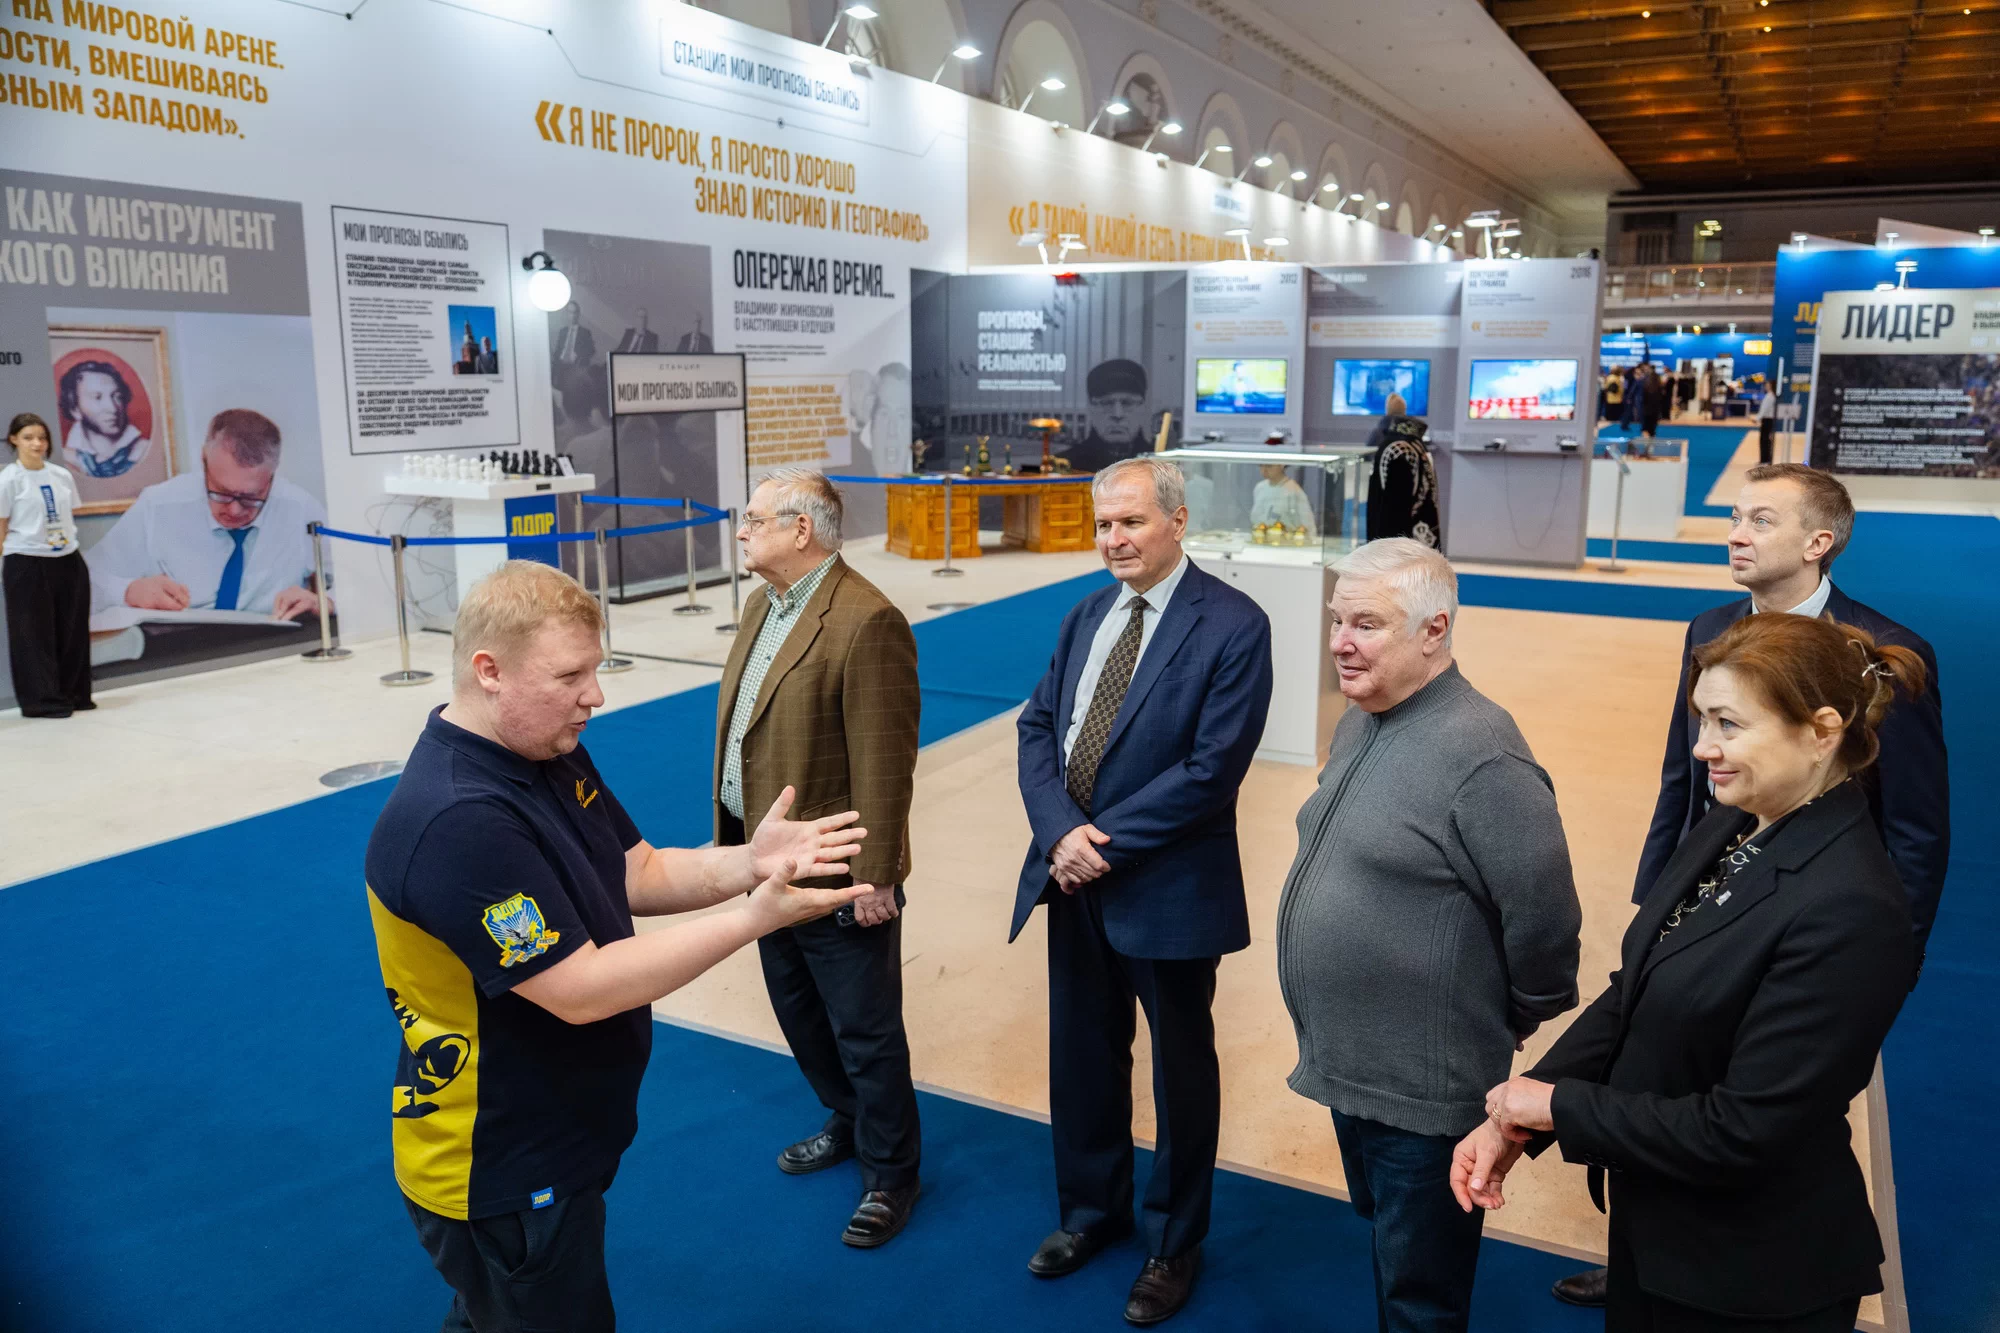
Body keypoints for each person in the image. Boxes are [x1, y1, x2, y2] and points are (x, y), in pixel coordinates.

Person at [365, 560, 873, 1333]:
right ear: (489, 671)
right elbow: (582, 988)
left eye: (595, 669)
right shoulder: (457, 819)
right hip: (501, 1163)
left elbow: (639, 869)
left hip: (559, 1135)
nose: (595, 696)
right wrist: (758, 916)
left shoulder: (546, 747)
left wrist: (750, 862)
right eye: (570, 675)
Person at [1549, 462, 1948, 1311]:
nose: (1736, 533)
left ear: (1818, 541)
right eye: (1735, 515)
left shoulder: (1880, 654)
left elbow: (1915, 828)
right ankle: (1641, 1250)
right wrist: (1661, 910)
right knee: (1668, 1055)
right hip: (1714, 885)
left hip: (1800, 926)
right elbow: (1682, 778)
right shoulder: (1711, 629)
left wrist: (1886, 970)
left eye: (1761, 520)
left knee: (1750, 1099)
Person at [1458, 613, 1921, 1333]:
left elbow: (1746, 1128)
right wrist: (1517, 1117)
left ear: (1822, 731)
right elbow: (1637, 988)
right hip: (1658, 1231)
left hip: (1750, 1276)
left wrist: (1559, 1108)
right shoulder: (1739, 819)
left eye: (1729, 724)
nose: (1703, 746)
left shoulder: (1853, 908)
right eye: (1703, 719)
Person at [1279, 537, 1582, 1333]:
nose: (1340, 642)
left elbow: (1546, 919)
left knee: (1421, 1292)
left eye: (1366, 624)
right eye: (1337, 619)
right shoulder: (1363, 720)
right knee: (1391, 1244)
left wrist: (1509, 1013)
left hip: (1426, 1090)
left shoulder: (1484, 753)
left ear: (1434, 630)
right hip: (1356, 1065)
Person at [1011, 456, 1273, 1326]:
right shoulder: (1087, 615)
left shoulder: (1234, 625)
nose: (1114, 539)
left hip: (1168, 885)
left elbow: (1210, 771)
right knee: (1083, 1055)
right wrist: (1059, 833)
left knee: (1180, 1071)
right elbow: (1038, 726)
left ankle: (1173, 1241)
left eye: (1131, 522)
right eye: (1103, 525)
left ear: (1178, 520)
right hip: (1071, 878)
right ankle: (1092, 1211)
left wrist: (1099, 846)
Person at [716, 467, 924, 1247]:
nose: (742, 531)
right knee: (800, 1012)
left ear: (801, 529)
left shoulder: (867, 620)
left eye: (754, 518)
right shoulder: (761, 606)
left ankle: (892, 1172)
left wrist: (876, 876)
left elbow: (885, 760)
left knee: (865, 1030)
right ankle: (847, 1116)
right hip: (765, 863)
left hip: (835, 872)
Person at [85, 408, 327, 620]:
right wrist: (128, 591)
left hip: (274, 645)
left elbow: (349, 583)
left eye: (251, 497)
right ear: (203, 460)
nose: (234, 510)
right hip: (179, 648)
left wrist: (324, 601)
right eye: (221, 492)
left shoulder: (300, 508)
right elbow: (84, 581)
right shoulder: (158, 505)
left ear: (272, 475)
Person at [1, 413, 92, 717]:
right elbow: (1, 527)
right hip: (26, 560)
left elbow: (68, 516)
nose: (37, 444)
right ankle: (42, 701)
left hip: (67, 559)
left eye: (41, 437)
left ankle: (74, 694)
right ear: (14, 440)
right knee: (33, 635)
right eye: (28, 438)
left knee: (72, 630)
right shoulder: (8, 479)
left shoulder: (60, 475)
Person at [1363, 393, 1441, 548]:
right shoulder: (1415, 443)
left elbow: (1393, 511)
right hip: (1420, 538)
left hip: (1398, 547)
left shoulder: (1395, 447)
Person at [57, 359, 152, 479]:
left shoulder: (144, 451)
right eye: (97, 397)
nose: (112, 408)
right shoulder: (66, 460)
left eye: (117, 397)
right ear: (75, 409)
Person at [1068, 359, 1151, 473]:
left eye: (1127, 403)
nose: (1118, 414)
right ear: (1090, 407)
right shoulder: (1065, 466)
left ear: (1143, 406)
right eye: (1106, 403)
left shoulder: (1162, 466)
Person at [1249, 462, 1315, 536]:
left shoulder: (1294, 491)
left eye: (1269, 466)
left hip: (1285, 541)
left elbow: (1309, 527)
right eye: (1261, 465)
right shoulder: (1259, 488)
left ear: (1282, 465)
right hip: (1260, 539)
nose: (1264, 470)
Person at [1757, 377, 1779, 463]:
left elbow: (1764, 409)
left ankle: (1764, 459)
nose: (1766, 386)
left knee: (1764, 440)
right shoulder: (1771, 395)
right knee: (1766, 439)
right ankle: (1765, 459)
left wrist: (1757, 418)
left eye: (1767, 385)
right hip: (1768, 420)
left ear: (1771, 386)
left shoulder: (1770, 396)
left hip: (1767, 420)